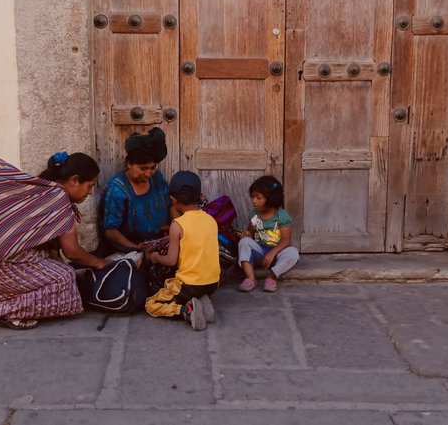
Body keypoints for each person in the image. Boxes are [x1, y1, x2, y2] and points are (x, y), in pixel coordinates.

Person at [0, 152, 108, 329]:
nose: (90, 193)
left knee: (59, 267)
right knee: (66, 278)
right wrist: (98, 263)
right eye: (89, 186)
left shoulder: (39, 190)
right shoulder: (59, 199)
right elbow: (72, 252)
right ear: (74, 180)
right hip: (6, 270)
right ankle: (6, 312)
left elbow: (52, 251)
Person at [144, 171, 220, 331]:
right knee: (184, 285)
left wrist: (156, 257)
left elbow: (171, 261)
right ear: (200, 196)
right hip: (213, 283)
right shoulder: (211, 220)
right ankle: (202, 300)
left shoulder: (177, 225)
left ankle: (185, 310)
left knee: (151, 304)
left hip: (190, 285)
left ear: (173, 200)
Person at [97, 127, 171, 257]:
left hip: (160, 241)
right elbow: (111, 231)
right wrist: (136, 248)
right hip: (131, 249)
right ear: (129, 163)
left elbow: (170, 202)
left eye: (153, 167)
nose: (149, 173)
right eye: (143, 168)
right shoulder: (117, 190)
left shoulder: (157, 177)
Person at [238, 175, 299, 293]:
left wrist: (272, 253)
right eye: (253, 197)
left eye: (258, 198)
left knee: (293, 253)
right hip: (260, 252)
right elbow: (250, 233)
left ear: (270, 199)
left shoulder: (282, 216)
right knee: (244, 242)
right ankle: (250, 278)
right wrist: (247, 235)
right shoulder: (255, 215)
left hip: (277, 254)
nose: (254, 201)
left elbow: (286, 240)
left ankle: (271, 277)